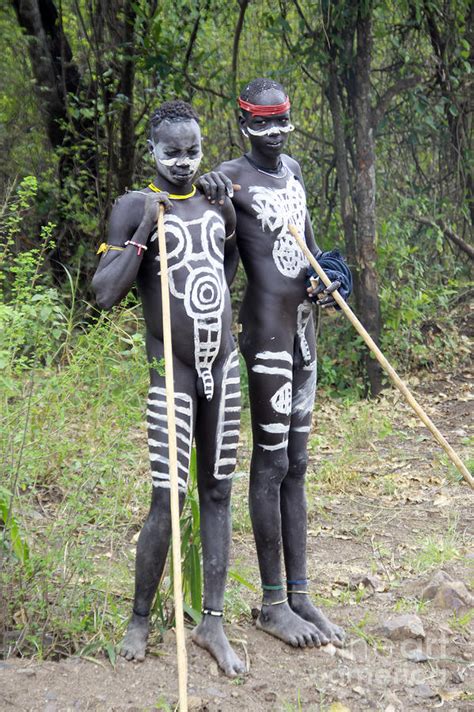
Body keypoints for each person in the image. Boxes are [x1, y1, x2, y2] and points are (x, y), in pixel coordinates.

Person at [196, 78, 352, 648]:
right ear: (243, 124)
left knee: (299, 462)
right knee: (270, 462)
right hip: (265, 336)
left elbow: (306, 247)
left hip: (304, 334)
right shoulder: (227, 179)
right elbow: (217, 256)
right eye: (261, 125)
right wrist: (207, 193)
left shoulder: (295, 173)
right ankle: (272, 605)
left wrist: (325, 281)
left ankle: (301, 594)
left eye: (280, 124)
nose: (273, 136)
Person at [92, 100, 245, 676]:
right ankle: (139, 618)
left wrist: (221, 202)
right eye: (170, 152)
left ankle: (213, 621)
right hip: (171, 370)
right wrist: (140, 232)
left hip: (222, 365)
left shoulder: (214, 198)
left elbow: (225, 265)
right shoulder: (134, 205)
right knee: (168, 496)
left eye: (192, 151)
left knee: (218, 492)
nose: (182, 163)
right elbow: (104, 294)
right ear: (151, 152)